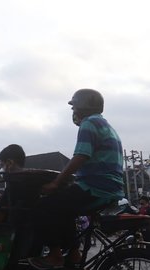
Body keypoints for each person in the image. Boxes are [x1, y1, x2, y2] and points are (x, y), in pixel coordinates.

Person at [28, 89, 124, 269]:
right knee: (64, 209)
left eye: (74, 108)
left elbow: (80, 156)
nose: (73, 112)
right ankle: (73, 254)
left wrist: (56, 183)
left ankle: (56, 256)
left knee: (43, 207)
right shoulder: (105, 124)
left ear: (82, 106)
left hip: (96, 187)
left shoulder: (89, 123)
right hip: (110, 187)